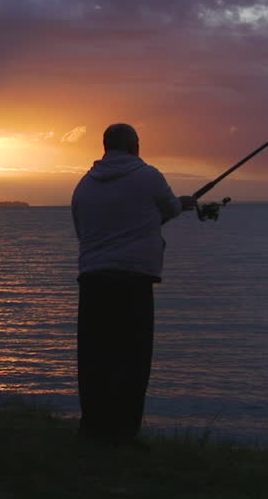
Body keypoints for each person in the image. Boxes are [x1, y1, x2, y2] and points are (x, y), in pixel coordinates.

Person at [71, 123, 196, 446]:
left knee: (94, 359)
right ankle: (125, 433)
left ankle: (93, 429)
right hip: (133, 282)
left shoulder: (84, 186)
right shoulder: (148, 176)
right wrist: (182, 204)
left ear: (105, 147)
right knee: (133, 359)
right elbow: (170, 209)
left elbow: (83, 232)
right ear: (132, 146)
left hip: (93, 282)